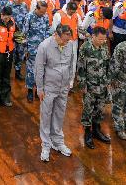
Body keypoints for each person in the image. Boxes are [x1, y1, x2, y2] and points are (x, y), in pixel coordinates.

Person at [35, 25, 78, 162]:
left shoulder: (70, 45)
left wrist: (70, 82)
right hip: (49, 87)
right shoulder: (44, 46)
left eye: (68, 40)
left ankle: (58, 142)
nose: (66, 43)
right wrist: (40, 88)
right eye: (63, 40)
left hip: (63, 87)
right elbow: (39, 68)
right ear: (56, 35)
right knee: (46, 115)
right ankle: (46, 145)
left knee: (59, 114)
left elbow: (71, 63)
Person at [76, 27, 111, 149]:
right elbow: (80, 67)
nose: (103, 41)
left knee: (100, 109)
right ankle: (87, 133)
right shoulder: (85, 48)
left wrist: (108, 81)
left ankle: (96, 130)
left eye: (104, 39)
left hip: (102, 85)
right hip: (90, 85)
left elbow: (107, 65)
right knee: (88, 110)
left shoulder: (104, 47)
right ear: (93, 36)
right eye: (100, 39)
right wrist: (82, 84)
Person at [22, 1, 51, 102]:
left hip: (43, 49)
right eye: (41, 12)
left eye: (44, 12)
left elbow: (48, 30)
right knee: (31, 70)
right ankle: (30, 90)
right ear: (37, 8)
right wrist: (25, 49)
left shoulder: (45, 16)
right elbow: (24, 34)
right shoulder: (29, 17)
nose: (43, 14)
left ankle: (38, 90)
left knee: (42, 70)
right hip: (32, 49)